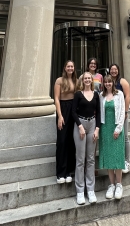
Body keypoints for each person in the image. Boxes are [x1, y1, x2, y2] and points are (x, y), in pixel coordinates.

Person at [72, 72, 101, 205]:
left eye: (89, 78)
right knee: (80, 160)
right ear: (82, 80)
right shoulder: (78, 94)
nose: (88, 80)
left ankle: (90, 190)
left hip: (92, 124)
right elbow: (73, 112)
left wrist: (97, 129)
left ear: (92, 80)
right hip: (81, 126)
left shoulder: (96, 94)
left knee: (90, 159)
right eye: (85, 78)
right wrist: (80, 126)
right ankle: (80, 191)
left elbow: (99, 113)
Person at [99, 75, 125, 200]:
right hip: (105, 128)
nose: (108, 84)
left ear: (113, 83)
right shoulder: (101, 95)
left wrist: (119, 128)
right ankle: (111, 185)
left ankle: (119, 184)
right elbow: (99, 112)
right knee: (109, 156)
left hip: (116, 128)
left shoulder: (119, 94)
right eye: (106, 82)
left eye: (110, 82)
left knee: (118, 156)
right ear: (103, 83)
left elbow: (122, 112)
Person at [53, 60, 77, 184]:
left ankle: (68, 171)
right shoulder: (59, 80)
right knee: (62, 141)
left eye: (72, 66)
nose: (70, 68)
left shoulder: (75, 80)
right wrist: (60, 116)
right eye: (68, 66)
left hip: (73, 110)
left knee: (70, 141)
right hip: (63, 109)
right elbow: (56, 98)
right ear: (65, 67)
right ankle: (60, 173)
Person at [109, 63, 130, 173]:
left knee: (125, 136)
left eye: (115, 69)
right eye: (112, 69)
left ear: (118, 70)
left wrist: (126, 111)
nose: (113, 71)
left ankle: (126, 161)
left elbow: (127, 96)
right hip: (112, 114)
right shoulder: (108, 81)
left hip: (122, 113)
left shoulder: (122, 81)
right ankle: (116, 160)